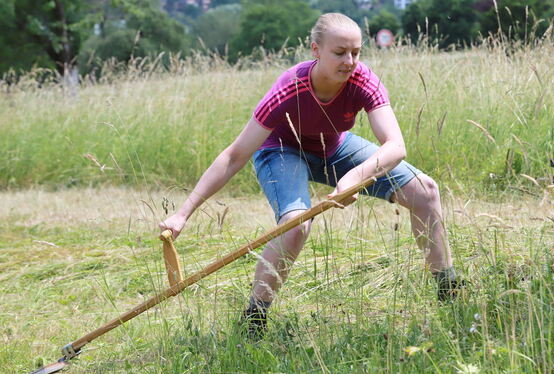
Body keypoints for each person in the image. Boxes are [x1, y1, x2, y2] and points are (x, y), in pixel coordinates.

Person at [160, 13, 462, 339]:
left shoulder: (364, 81)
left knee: (425, 191)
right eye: (339, 52)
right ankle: (254, 319)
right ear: (316, 49)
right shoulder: (289, 87)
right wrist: (182, 213)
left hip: (334, 147)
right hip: (281, 150)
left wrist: (353, 178)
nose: (349, 61)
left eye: (356, 52)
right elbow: (234, 156)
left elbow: (396, 146)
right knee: (296, 224)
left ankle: (447, 289)